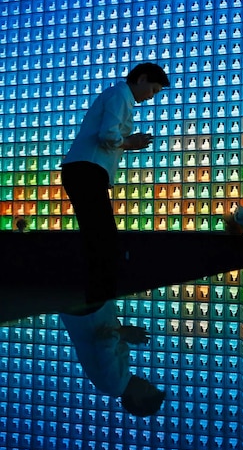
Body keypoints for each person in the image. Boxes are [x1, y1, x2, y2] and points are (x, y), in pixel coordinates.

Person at [61, 63, 170, 303]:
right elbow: (108, 135)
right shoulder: (120, 94)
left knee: (98, 234)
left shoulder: (119, 96)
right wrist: (131, 142)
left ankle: (98, 298)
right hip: (87, 170)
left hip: (85, 170)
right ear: (141, 79)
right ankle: (100, 296)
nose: (150, 97)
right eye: (153, 90)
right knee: (101, 235)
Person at [59, 300, 167, 417]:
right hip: (84, 312)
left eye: (147, 388)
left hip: (88, 310)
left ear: (137, 400)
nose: (146, 382)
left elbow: (103, 341)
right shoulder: (117, 382)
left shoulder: (115, 383)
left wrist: (125, 333)